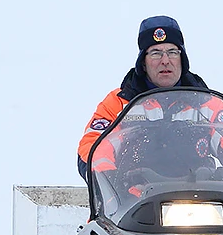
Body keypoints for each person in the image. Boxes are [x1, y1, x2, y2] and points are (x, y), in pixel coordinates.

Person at [77, 16, 207, 179]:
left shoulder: (205, 103)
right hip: (136, 197)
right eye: (155, 53)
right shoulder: (119, 102)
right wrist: (107, 175)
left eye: (172, 52)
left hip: (201, 195)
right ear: (143, 62)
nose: (165, 61)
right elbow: (94, 143)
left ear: (182, 59)